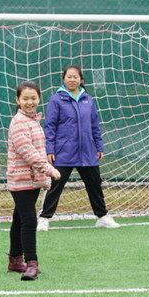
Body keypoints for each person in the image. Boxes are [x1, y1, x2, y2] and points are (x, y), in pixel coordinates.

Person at [39, 63, 119, 230]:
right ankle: (44, 218)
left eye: (75, 77)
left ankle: (102, 216)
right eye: (69, 76)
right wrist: (50, 149)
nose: (72, 79)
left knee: (95, 185)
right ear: (64, 79)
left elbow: (94, 125)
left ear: (81, 79)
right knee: (55, 185)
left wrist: (99, 146)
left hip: (88, 152)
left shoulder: (88, 99)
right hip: (63, 151)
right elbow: (50, 126)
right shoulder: (56, 99)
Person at [6, 80, 61, 281]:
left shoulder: (33, 121)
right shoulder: (19, 122)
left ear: (39, 98)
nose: (30, 102)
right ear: (18, 100)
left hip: (32, 180)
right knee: (29, 220)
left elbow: (37, 149)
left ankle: (14, 260)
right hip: (21, 180)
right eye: (25, 98)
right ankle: (31, 263)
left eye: (33, 98)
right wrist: (48, 169)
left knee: (19, 218)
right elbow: (27, 151)